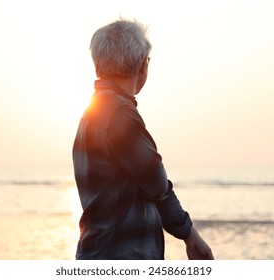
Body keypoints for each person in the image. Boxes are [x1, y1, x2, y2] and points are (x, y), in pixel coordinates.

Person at [72, 18, 214, 260]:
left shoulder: (92, 113)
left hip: (96, 251)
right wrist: (190, 235)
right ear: (142, 65)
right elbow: (156, 183)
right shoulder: (119, 113)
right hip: (124, 254)